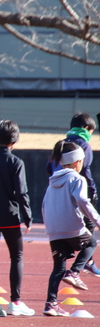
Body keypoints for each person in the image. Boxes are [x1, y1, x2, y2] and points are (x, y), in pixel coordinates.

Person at [0, 120, 35, 317]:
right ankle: (15, 302)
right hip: (10, 216)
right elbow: (21, 192)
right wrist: (27, 216)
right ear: (15, 139)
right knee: (16, 256)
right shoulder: (16, 162)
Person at [41, 141, 100, 316]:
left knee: (58, 267)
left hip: (54, 231)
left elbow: (44, 205)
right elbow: (82, 200)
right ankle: (74, 272)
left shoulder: (52, 182)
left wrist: (50, 228)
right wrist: (97, 220)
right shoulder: (77, 179)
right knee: (91, 243)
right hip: (73, 227)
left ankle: (50, 304)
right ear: (77, 162)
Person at [46, 113, 100, 281]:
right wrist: (93, 190)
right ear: (86, 129)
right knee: (89, 231)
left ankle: (52, 300)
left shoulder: (61, 145)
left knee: (60, 252)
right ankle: (83, 263)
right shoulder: (83, 146)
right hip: (77, 190)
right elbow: (85, 171)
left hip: (55, 191)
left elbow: (49, 167)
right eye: (91, 131)